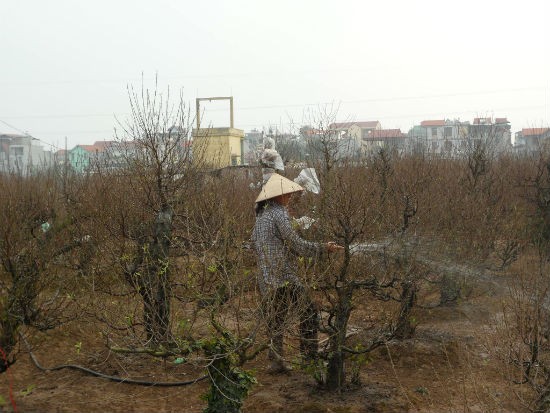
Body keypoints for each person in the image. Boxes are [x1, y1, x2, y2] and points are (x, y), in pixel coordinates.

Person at [252, 173, 343, 374]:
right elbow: (295, 244)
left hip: (266, 276)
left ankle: (276, 360)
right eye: (288, 193)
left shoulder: (262, 215)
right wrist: (322, 248)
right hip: (282, 275)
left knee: (277, 317)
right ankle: (309, 356)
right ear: (278, 195)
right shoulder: (278, 213)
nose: (291, 196)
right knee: (309, 310)